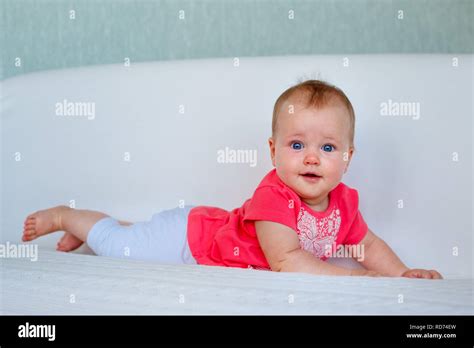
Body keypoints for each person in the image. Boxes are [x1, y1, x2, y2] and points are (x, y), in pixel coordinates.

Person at [22, 80, 442, 279]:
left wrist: (401, 275)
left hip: (205, 229)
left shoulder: (345, 203)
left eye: (328, 148)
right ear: (273, 150)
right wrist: (361, 280)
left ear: (348, 158)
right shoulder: (275, 196)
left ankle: (119, 227)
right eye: (297, 145)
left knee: (136, 237)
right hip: (191, 241)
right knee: (119, 248)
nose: (312, 157)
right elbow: (287, 260)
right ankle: (68, 217)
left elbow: (365, 245)